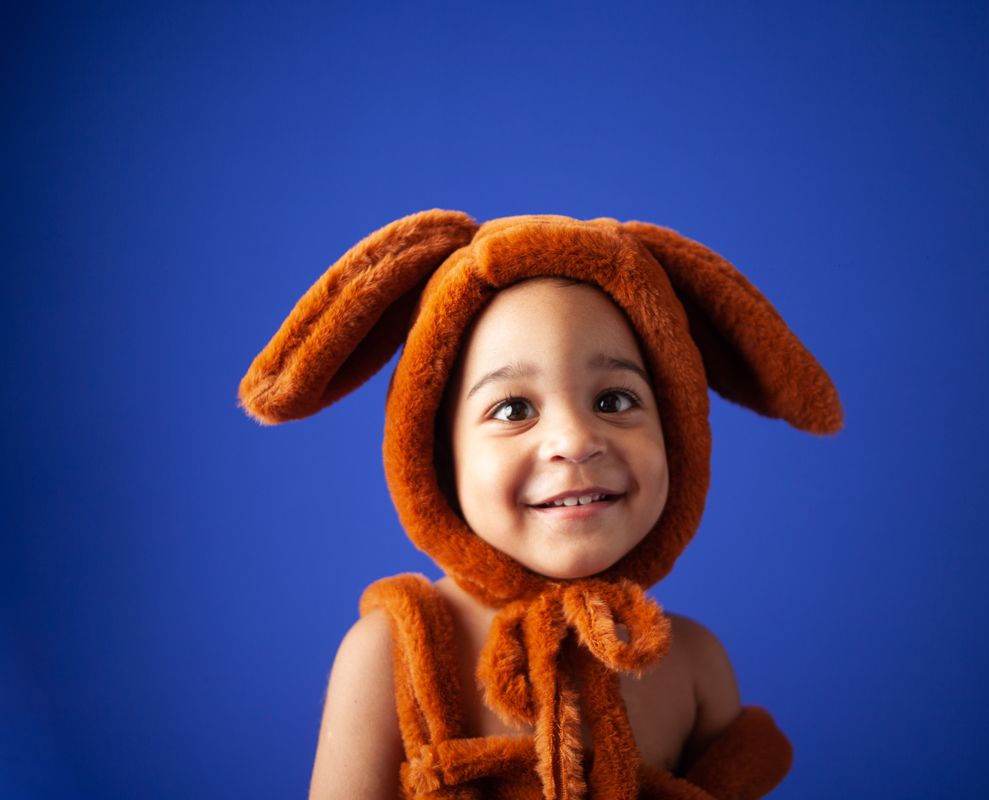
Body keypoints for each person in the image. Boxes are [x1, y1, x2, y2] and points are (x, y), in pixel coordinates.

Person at [239, 211, 842, 799]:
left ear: (678, 431)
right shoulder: (391, 655)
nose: (576, 440)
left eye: (613, 400)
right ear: (436, 457)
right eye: (512, 410)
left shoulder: (695, 666)